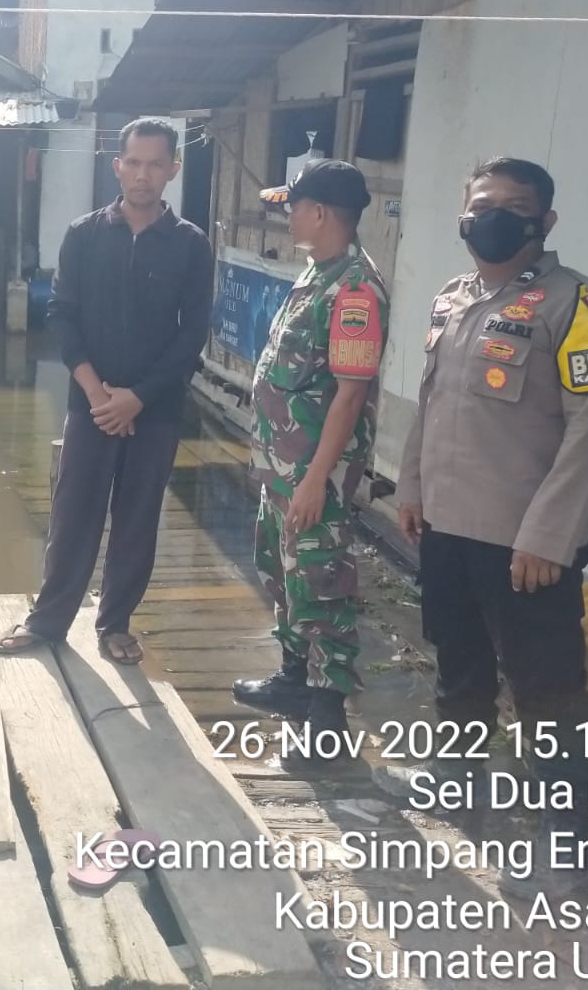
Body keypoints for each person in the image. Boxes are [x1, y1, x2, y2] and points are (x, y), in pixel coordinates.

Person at [387, 156, 588, 898]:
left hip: (526, 543)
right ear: (465, 215)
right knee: (457, 665)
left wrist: (546, 537)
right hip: (450, 529)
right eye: (482, 203)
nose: (493, 215)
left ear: (544, 221)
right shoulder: (454, 298)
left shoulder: (581, 306)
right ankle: (456, 783)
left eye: (513, 205)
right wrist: (412, 487)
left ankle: (569, 848)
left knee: (548, 690)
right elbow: (432, 405)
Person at [0, 118, 212, 664]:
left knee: (137, 520)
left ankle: (115, 623)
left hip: (155, 411)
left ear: (172, 170)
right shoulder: (84, 235)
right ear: (117, 166)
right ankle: (48, 621)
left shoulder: (189, 245)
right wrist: (96, 395)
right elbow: (62, 317)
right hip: (89, 405)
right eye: (133, 163)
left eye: (155, 164)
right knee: (74, 515)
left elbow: (192, 336)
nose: (142, 175)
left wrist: (138, 397)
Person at [233, 160, 388, 764]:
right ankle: (294, 681)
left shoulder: (353, 290)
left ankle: (325, 728)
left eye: (294, 206)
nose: (288, 214)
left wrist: (317, 478)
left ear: (320, 212)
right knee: (284, 573)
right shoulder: (315, 275)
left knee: (321, 585)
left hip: (311, 475)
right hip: (283, 469)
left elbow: (350, 393)